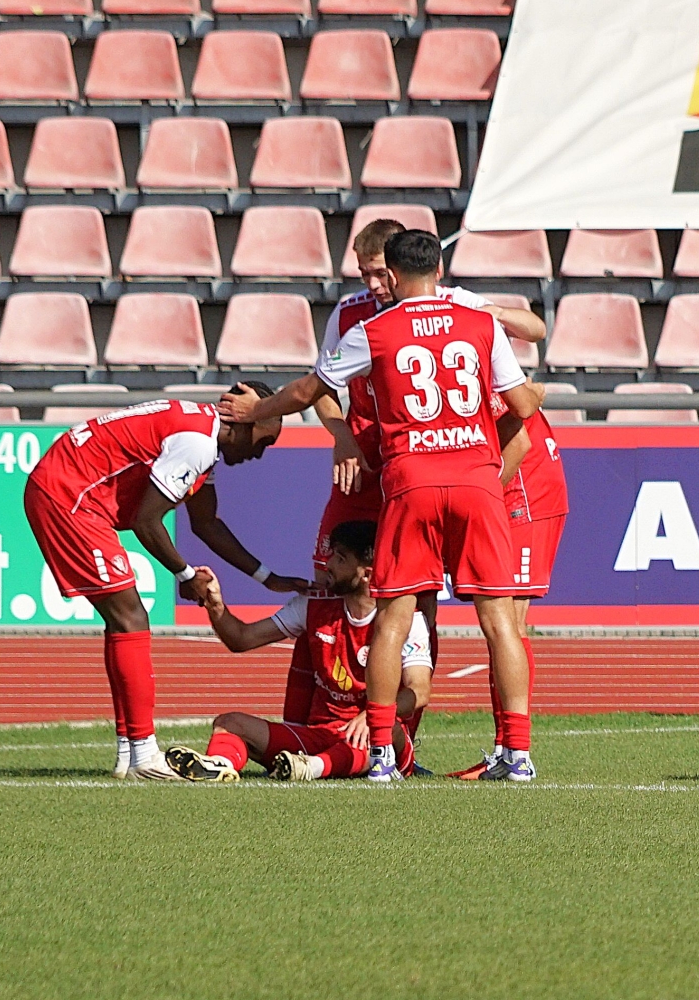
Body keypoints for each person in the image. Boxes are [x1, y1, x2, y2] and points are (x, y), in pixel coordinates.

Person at [221, 230, 545, 784]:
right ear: (439, 271)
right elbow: (520, 404)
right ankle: (516, 754)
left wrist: (256, 412)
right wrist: (530, 398)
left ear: (392, 277)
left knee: (394, 614)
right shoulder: (479, 322)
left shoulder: (373, 329)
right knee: (499, 620)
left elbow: (307, 391)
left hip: (412, 481)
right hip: (476, 480)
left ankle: (380, 753)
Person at [21, 386, 301, 779]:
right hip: (70, 497)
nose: (260, 453)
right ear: (242, 421)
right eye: (264, 441)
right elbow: (146, 521)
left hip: (66, 489)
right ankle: (144, 755)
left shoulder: (203, 437)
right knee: (131, 618)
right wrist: (186, 575)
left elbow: (206, 524)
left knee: (124, 621)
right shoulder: (197, 442)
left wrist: (266, 578)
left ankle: (129, 753)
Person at [311, 220, 546, 583]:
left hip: (423, 457)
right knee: (330, 570)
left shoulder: (453, 301)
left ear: (398, 266)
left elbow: (535, 329)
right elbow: (319, 387)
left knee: (421, 582)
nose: (373, 284)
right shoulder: (347, 313)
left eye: (379, 273)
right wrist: (342, 437)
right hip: (363, 459)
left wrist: (494, 313)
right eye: (364, 274)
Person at [165, 520, 432, 782]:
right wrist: (215, 606)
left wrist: (374, 716)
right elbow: (241, 639)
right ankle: (219, 765)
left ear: (367, 574)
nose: (328, 565)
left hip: (377, 735)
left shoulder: (408, 620)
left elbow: (419, 690)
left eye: (340, 559)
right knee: (229, 723)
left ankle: (312, 768)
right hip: (316, 735)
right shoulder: (313, 606)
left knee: (384, 731)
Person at [450, 384, 568, 780]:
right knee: (501, 628)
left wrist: (479, 499)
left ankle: (514, 752)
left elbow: (518, 438)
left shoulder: (480, 373)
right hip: (520, 493)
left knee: (508, 626)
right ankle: (505, 750)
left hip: (525, 497)